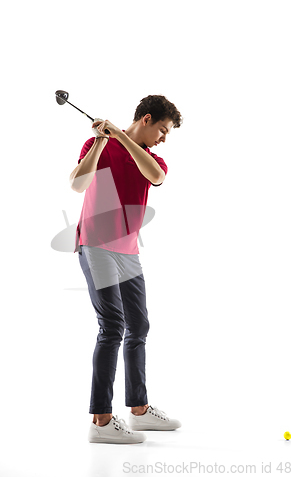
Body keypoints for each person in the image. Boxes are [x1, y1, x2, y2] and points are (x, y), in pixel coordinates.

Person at [69, 95, 183, 444]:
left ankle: (139, 409)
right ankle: (101, 420)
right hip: (96, 245)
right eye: (162, 130)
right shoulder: (97, 144)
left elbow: (157, 176)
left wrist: (121, 136)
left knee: (139, 324)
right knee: (113, 325)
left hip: (128, 251)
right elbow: (77, 183)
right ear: (147, 119)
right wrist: (104, 141)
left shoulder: (150, 157)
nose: (163, 138)